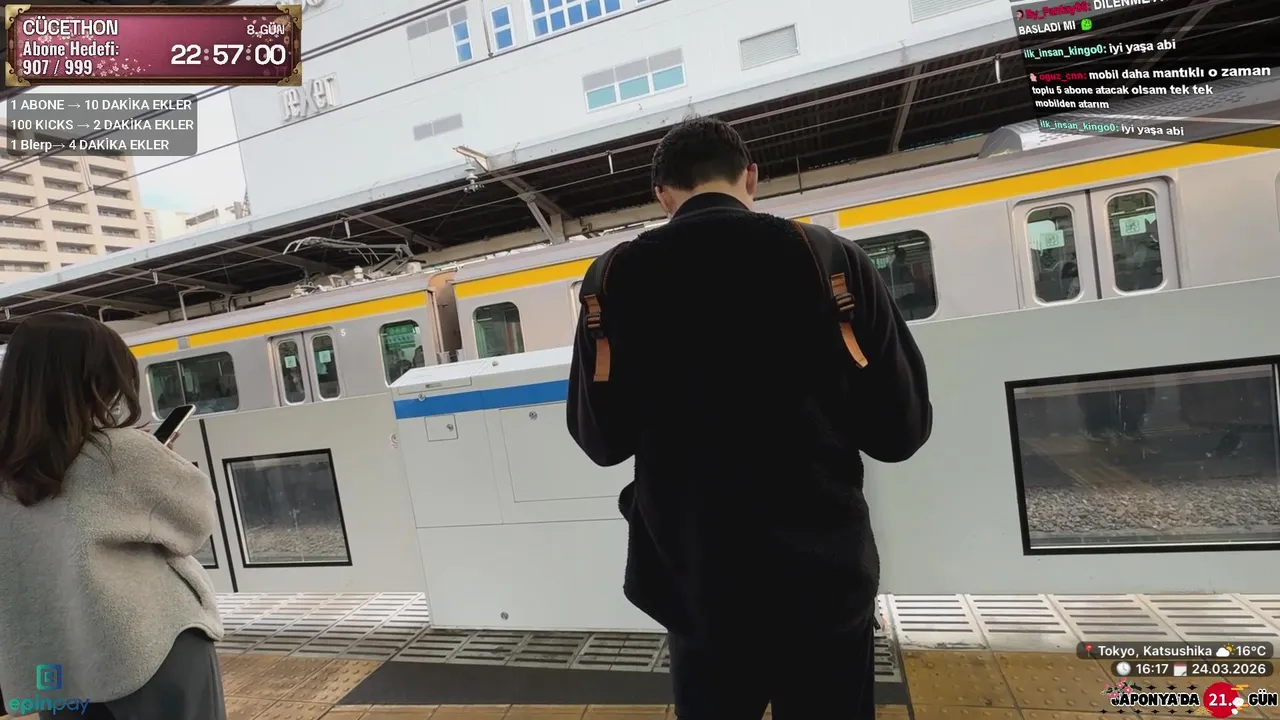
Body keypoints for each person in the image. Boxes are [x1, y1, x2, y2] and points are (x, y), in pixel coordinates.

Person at [566, 117, 932, 718]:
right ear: (751, 177)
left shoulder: (613, 277)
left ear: (662, 194)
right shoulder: (830, 258)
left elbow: (601, 441)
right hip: (823, 579)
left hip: (696, 580)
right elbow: (900, 432)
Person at [0, 313, 226, 720]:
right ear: (93, 381)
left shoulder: (7, 468)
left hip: (55, 666)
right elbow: (196, 524)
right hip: (151, 650)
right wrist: (159, 460)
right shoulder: (121, 452)